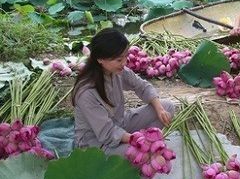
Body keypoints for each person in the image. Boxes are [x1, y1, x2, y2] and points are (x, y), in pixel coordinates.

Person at [72, 28, 175, 156]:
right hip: (95, 143)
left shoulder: (117, 71)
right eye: (119, 60)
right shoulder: (86, 92)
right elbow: (107, 132)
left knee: (168, 107)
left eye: (125, 57)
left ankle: (141, 144)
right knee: (140, 155)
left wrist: (160, 110)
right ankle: (138, 147)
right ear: (100, 59)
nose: (124, 63)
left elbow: (142, 87)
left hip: (120, 124)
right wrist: (137, 140)